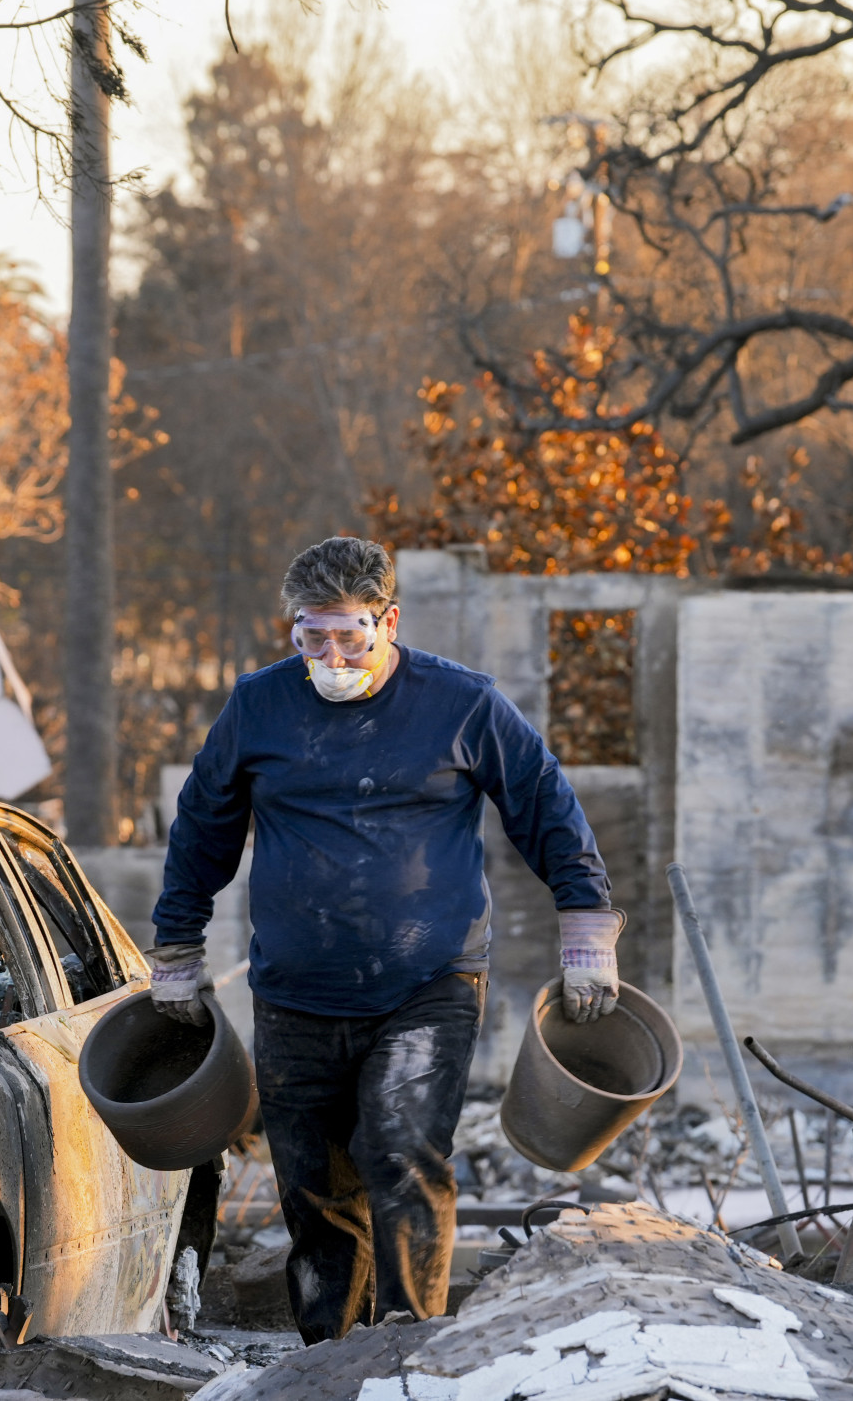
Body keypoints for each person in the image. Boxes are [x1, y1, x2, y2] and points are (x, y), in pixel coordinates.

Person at [149, 535, 621, 1343]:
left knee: (402, 1156)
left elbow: (544, 801)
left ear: (388, 619)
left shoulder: (461, 703)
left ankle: (408, 1351)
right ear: (293, 629)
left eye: (350, 635)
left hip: (427, 986)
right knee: (314, 1189)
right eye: (311, 637)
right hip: (295, 991)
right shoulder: (259, 708)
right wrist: (176, 947)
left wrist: (585, 923)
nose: (330, 655)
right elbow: (202, 824)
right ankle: (331, 1360)